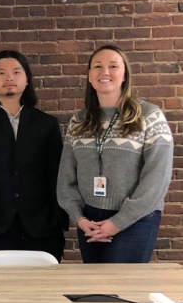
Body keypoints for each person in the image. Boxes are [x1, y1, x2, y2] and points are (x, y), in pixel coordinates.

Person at [57, 44, 173, 263]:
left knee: (123, 292)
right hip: (89, 220)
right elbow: (66, 176)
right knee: (96, 292)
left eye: (113, 66)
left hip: (136, 219)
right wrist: (79, 218)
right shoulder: (79, 121)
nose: (105, 72)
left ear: (124, 75)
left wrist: (118, 222)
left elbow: (157, 179)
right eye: (97, 67)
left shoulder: (149, 116)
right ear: (89, 76)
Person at [0, 50, 67, 261]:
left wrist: (59, 219)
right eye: (1, 73)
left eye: (16, 72)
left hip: (41, 226)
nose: (9, 78)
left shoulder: (46, 124)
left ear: (27, 79)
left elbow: (56, 174)